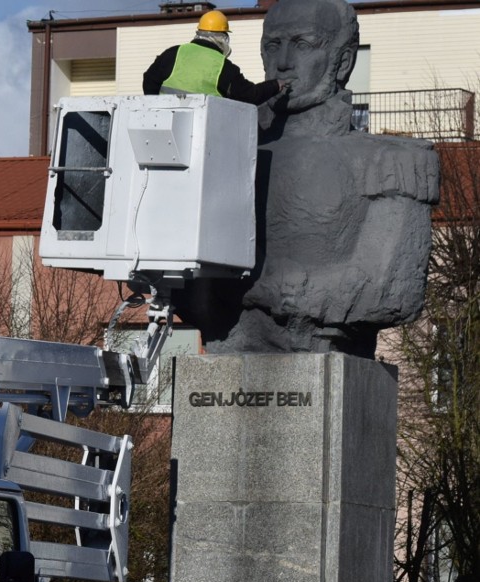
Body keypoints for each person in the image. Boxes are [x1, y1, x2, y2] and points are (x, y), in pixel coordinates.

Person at [172, 0, 439, 358]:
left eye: (302, 44)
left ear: (342, 61)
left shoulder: (392, 161)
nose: (282, 61)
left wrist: (258, 285)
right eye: (273, 45)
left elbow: (386, 289)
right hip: (227, 353)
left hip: (325, 358)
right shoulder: (218, 151)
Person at [143, 9, 285, 104]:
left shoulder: (173, 53)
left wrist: (158, 108)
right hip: (204, 131)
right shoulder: (223, 67)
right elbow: (250, 95)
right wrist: (275, 85)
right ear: (222, 38)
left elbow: (149, 80)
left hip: (166, 125)